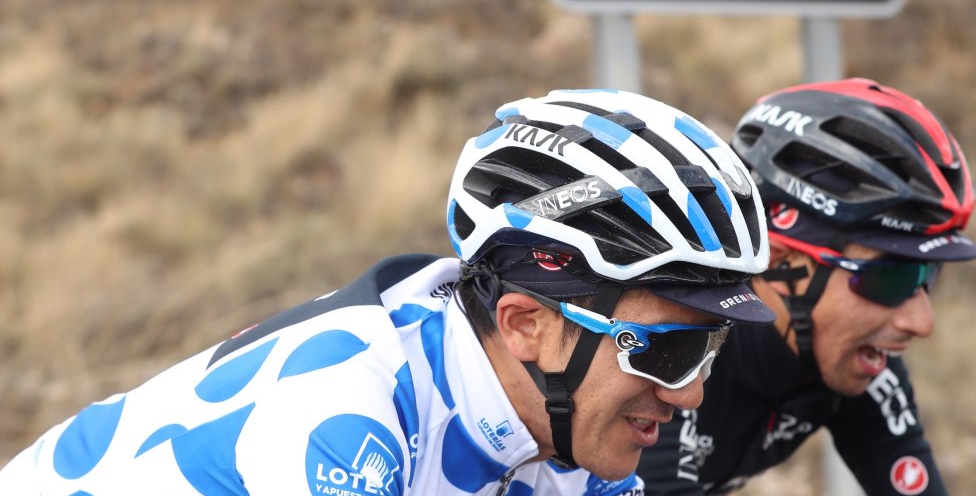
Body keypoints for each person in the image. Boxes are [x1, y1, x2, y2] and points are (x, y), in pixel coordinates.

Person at [0, 89, 778, 495]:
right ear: (527, 323)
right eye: (669, 349)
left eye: (707, 346)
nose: (691, 394)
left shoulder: (569, 438)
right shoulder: (346, 411)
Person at [638, 79, 976, 495]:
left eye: (928, 276)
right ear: (781, 262)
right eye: (891, 279)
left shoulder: (852, 354)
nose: (922, 322)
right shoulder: (669, 342)